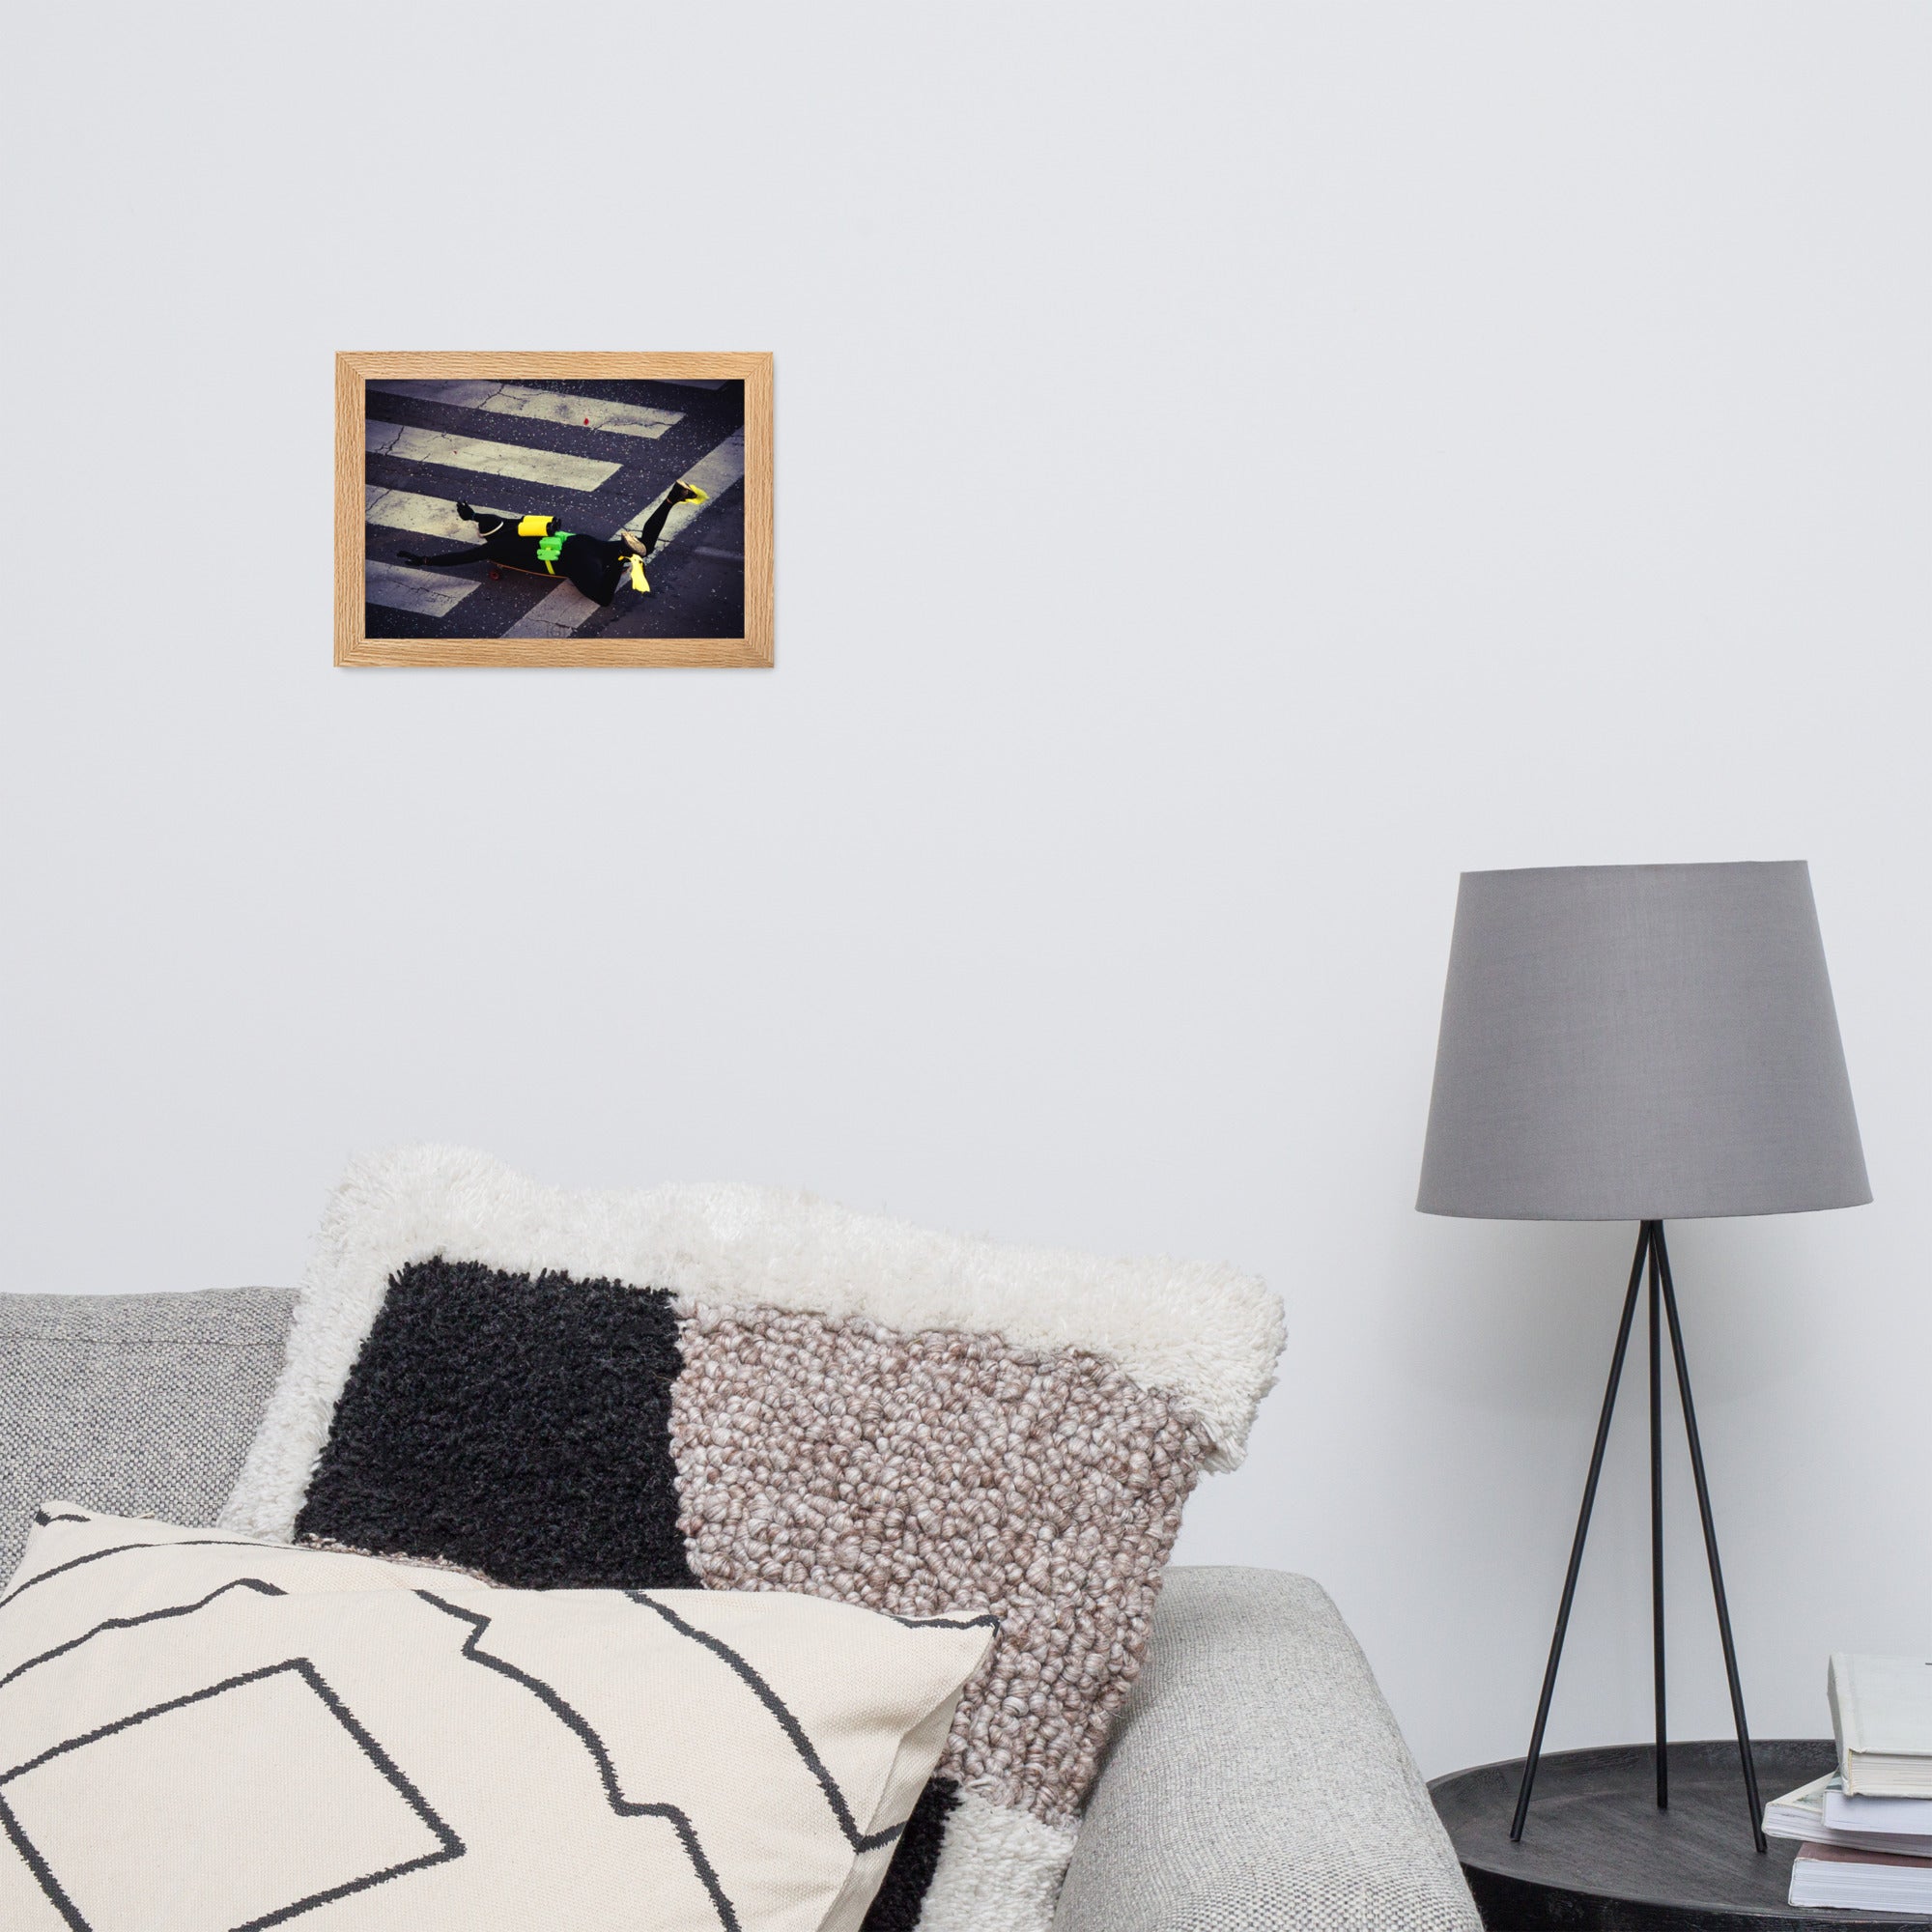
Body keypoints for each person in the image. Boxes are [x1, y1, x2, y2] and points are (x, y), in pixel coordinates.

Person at [396, 482, 707, 605]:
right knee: (647, 546)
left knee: (603, 597)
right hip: (581, 543)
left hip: (571, 561)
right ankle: (672, 497)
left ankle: (623, 556)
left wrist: (426, 561)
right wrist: (473, 514)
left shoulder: (493, 549)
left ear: (485, 539)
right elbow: (488, 520)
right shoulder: (518, 525)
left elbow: (461, 557)